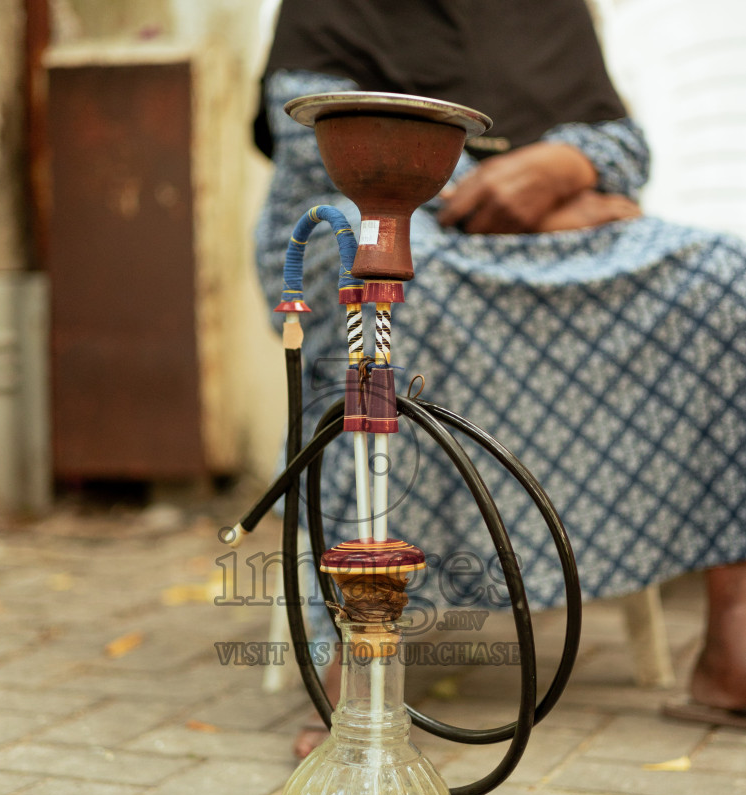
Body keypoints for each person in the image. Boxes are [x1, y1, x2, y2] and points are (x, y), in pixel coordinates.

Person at [253, 0, 746, 755]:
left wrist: (560, 168)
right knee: (390, 292)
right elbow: (332, 150)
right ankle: (361, 660)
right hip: (373, 223)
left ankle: (733, 641)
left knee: (727, 276)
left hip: (549, 233)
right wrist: (553, 202)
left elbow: (617, 139)